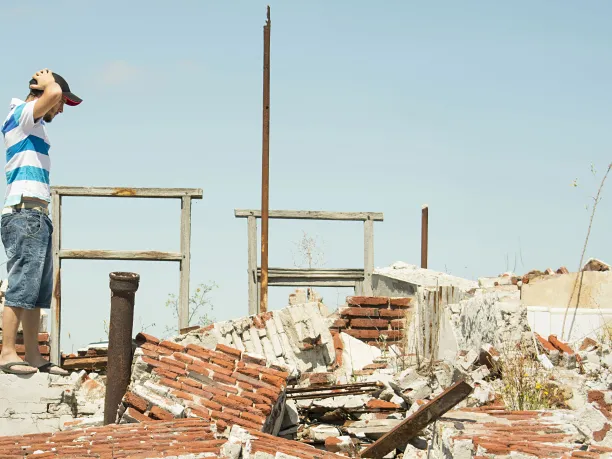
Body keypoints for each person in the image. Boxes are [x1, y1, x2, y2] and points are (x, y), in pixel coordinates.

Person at [0, 69, 82, 375]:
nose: (60, 109)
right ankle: (7, 351)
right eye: (61, 103)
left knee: (37, 290)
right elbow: (53, 96)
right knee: (22, 283)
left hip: (36, 216)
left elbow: (55, 97)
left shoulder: (34, 127)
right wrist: (49, 83)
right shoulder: (21, 115)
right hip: (24, 214)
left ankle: (33, 355)